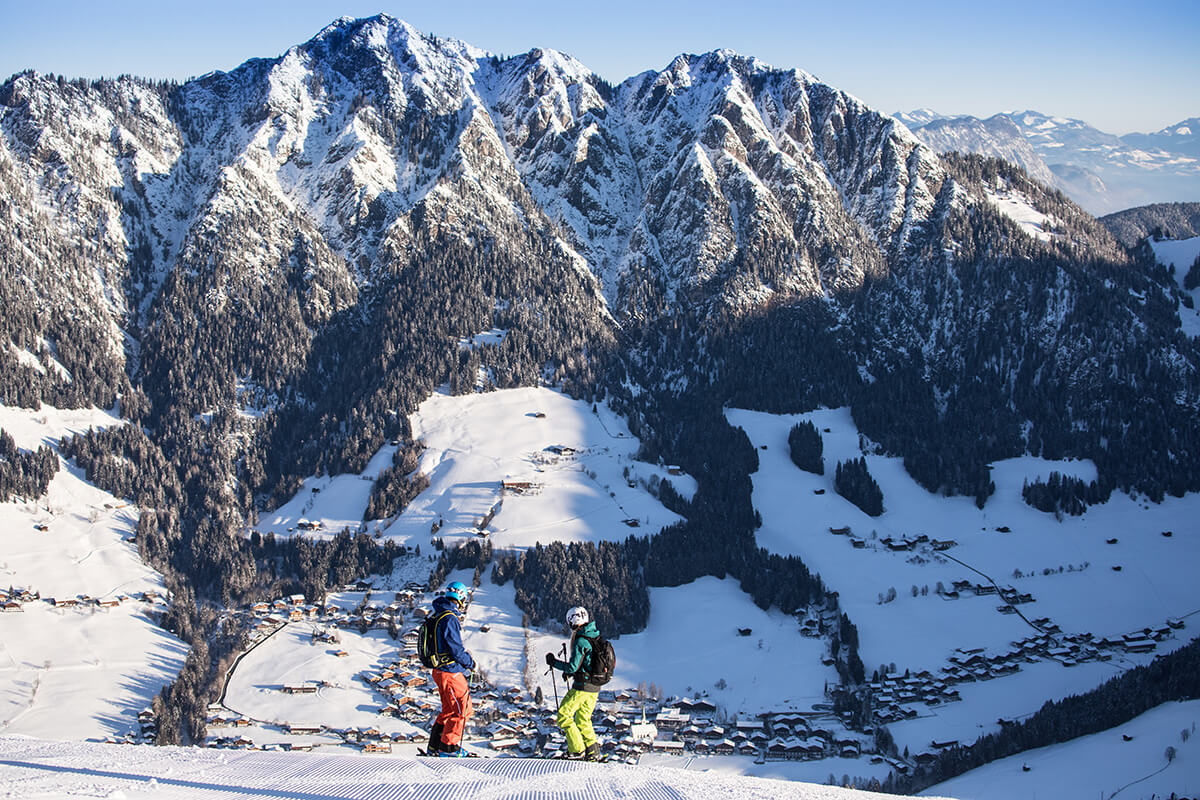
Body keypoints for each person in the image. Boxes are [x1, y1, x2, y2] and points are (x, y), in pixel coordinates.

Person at [546, 606, 603, 761]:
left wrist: (554, 663)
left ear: (572, 620)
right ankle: (593, 750)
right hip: (595, 687)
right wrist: (572, 672)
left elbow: (573, 666)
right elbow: (585, 664)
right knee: (583, 719)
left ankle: (577, 750)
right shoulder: (594, 635)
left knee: (564, 715)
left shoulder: (581, 640)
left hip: (582, 687)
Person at [427, 581, 476, 757]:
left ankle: (434, 745)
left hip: (438, 670)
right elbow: (456, 649)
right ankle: (448, 747)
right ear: (461, 597)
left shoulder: (437, 614)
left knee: (448, 709)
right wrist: (470, 663)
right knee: (463, 709)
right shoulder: (449, 618)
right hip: (450, 671)